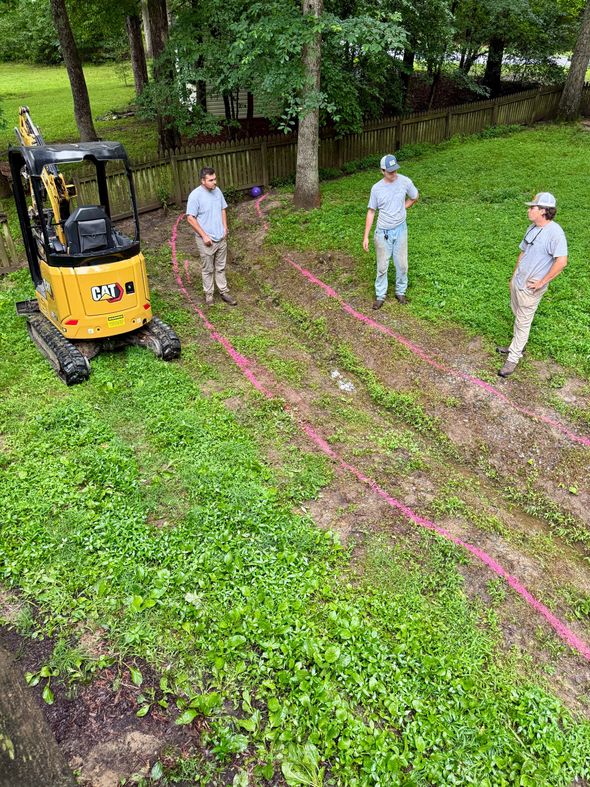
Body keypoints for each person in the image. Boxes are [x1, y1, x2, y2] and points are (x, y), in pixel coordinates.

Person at [497, 192, 567, 378]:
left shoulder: (555, 233)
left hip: (531, 288)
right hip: (518, 282)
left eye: (532, 207)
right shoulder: (532, 227)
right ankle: (517, 345)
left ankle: (513, 357)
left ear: (543, 211)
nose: (529, 210)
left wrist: (542, 282)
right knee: (517, 314)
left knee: (523, 321)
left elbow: (561, 261)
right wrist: (513, 276)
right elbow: (523, 252)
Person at [363, 154, 419, 310]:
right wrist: (366, 236)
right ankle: (380, 296)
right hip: (382, 233)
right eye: (390, 172)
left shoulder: (405, 182)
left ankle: (400, 292)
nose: (394, 174)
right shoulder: (376, 189)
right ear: (382, 171)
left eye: (395, 170)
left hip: (401, 230)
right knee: (382, 266)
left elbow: (415, 197)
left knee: (402, 265)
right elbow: (371, 212)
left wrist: (403, 208)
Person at [186, 166, 237, 306]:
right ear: (203, 181)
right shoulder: (195, 195)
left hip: (221, 238)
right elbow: (190, 218)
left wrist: (225, 227)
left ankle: (224, 292)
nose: (214, 182)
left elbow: (223, 209)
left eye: (215, 179)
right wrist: (204, 236)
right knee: (208, 269)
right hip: (206, 241)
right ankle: (209, 295)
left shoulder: (217, 191)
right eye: (211, 180)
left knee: (220, 267)